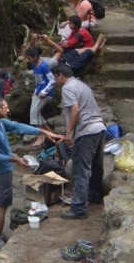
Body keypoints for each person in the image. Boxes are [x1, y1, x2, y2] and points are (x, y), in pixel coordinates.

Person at [0, 96, 62, 252]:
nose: (8, 110)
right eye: (6, 107)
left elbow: (18, 127)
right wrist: (15, 159)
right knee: (1, 204)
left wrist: (43, 131)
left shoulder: (1, 122)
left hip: (0, 170)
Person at [53, 64, 106, 219]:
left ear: (61, 75)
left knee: (81, 169)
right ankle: (94, 195)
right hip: (99, 128)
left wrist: (69, 132)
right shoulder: (82, 85)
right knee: (96, 166)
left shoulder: (67, 88)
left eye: (56, 77)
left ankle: (79, 208)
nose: (56, 81)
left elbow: (75, 110)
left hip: (86, 131)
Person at [25, 47, 55, 145]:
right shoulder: (34, 66)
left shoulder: (43, 66)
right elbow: (37, 80)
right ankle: (50, 133)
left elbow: (52, 80)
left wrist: (45, 91)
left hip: (45, 94)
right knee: (34, 113)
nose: (28, 61)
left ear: (35, 57)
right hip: (38, 92)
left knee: (34, 112)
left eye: (29, 58)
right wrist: (35, 90)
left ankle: (41, 135)